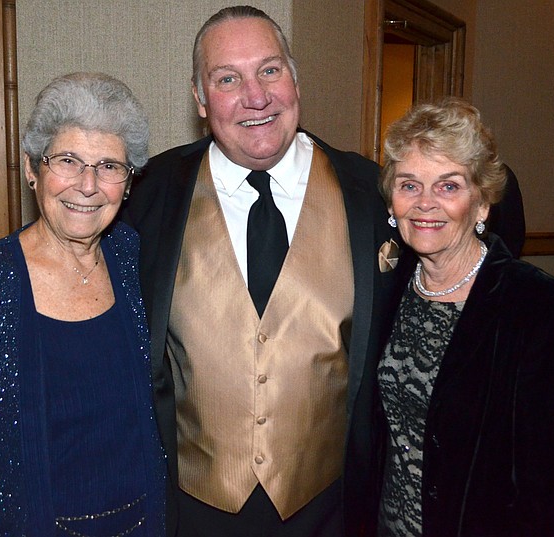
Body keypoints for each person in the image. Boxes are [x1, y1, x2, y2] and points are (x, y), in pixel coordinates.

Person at [124, 6, 396, 536]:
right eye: (228, 78)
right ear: (200, 100)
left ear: (294, 79)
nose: (255, 96)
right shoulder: (148, 197)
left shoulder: (371, 194)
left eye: (269, 70)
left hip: (331, 507)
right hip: (191, 509)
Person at [0, 72, 166, 536]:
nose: (87, 185)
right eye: (68, 160)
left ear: (129, 181)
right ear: (31, 169)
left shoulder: (134, 260)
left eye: (109, 166)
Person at [376, 97, 554, 536]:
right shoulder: (386, 288)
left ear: (483, 204)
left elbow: (552, 483)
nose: (425, 203)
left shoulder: (538, 307)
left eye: (448, 186)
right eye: (409, 185)